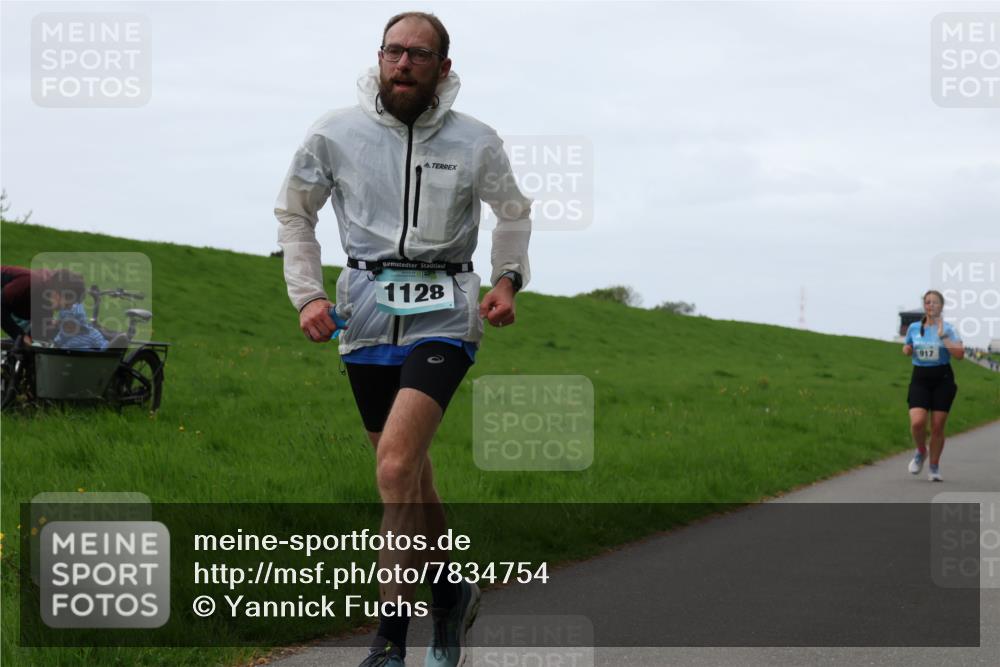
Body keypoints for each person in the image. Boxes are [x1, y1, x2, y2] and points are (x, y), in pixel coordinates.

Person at [274, 12, 531, 667]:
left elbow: (514, 211)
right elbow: (295, 212)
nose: (403, 63)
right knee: (409, 477)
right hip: (362, 317)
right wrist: (306, 294)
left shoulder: (475, 141)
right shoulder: (335, 132)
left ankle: (390, 641)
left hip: (445, 311)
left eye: (418, 54)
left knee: (392, 467)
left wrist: (506, 279)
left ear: (443, 68)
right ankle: (449, 592)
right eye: (393, 51)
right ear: (379, 57)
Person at [902, 290, 963, 482]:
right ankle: (921, 451)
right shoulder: (913, 328)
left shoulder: (950, 329)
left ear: (941, 306)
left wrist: (943, 336)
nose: (931, 305)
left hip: (942, 379)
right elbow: (907, 347)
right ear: (924, 306)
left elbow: (960, 355)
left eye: (935, 302)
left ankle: (934, 467)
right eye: (927, 302)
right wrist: (907, 349)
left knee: (937, 426)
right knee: (917, 422)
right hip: (920, 378)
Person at [1, 266, 86, 344]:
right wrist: (20, 336)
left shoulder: (46, 303)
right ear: (57, 294)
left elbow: (40, 333)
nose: (69, 307)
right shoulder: (32, 282)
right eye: (68, 303)